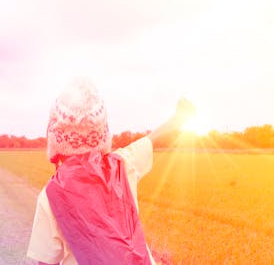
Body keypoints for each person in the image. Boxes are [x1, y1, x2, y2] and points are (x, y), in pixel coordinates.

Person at [26, 79, 195, 265]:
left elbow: (44, 261)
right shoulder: (123, 164)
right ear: (102, 133)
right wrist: (179, 118)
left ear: (54, 135)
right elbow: (153, 139)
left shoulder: (51, 195)